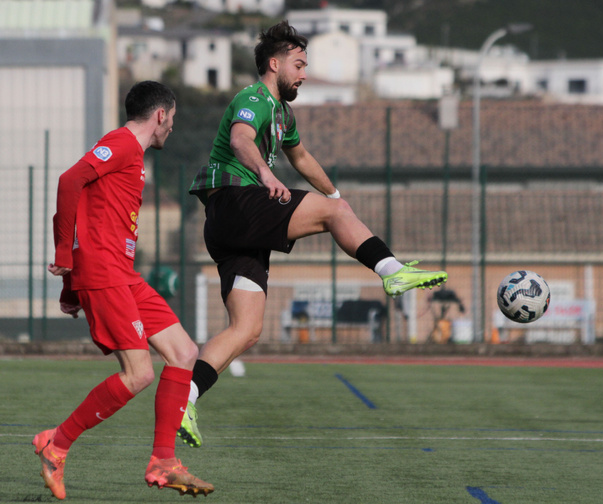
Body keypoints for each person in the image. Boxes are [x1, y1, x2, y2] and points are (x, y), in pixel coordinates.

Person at [180, 21, 448, 448]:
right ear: (274, 64)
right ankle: (392, 271)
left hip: (233, 231)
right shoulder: (253, 98)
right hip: (235, 203)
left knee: (247, 329)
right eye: (299, 64)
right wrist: (268, 175)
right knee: (333, 214)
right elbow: (239, 139)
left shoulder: (284, 113)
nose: (304, 74)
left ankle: (185, 398)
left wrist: (336, 197)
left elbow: (302, 157)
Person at [33, 81, 214, 499]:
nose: (171, 129)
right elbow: (68, 182)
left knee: (185, 352)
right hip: (106, 273)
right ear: (161, 115)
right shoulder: (121, 144)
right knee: (139, 374)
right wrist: (66, 259)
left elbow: (86, 208)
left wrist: (68, 286)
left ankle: (164, 462)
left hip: (122, 274)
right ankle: (55, 445)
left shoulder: (132, 154)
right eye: (173, 120)